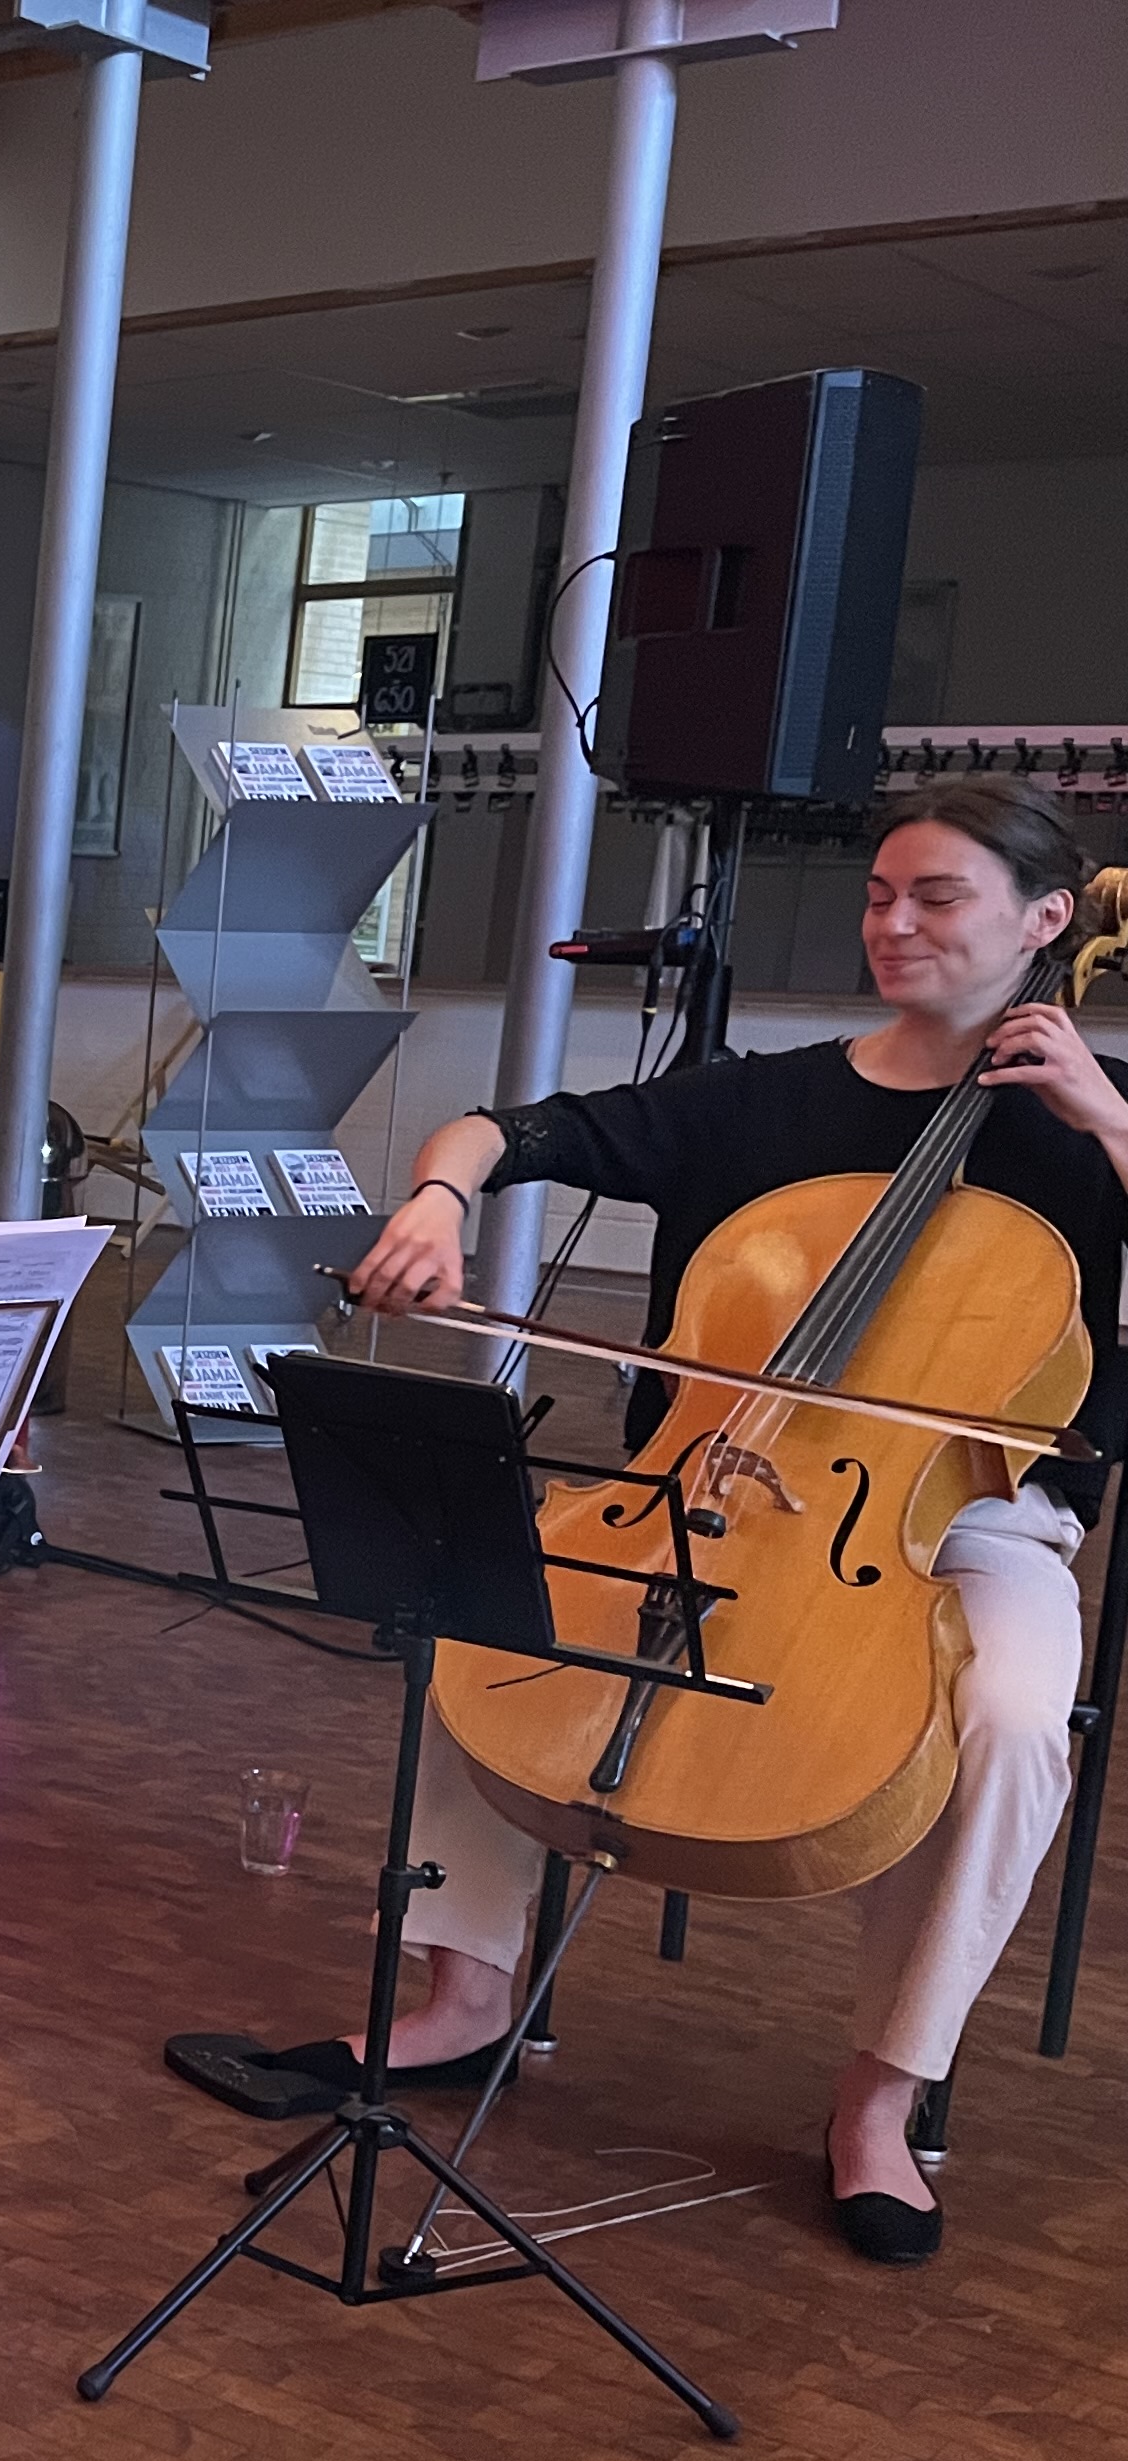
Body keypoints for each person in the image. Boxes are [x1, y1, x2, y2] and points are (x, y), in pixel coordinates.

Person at [320, 776, 1121, 2267]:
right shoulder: (765, 1099)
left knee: (1015, 1720)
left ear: (1046, 922)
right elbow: (510, 1128)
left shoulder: (1094, 1128)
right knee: (491, 1601)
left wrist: (1107, 1118)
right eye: (879, 894)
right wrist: (438, 1195)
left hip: (967, 1519)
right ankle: (467, 1992)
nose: (893, 923)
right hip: (707, 1485)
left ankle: (886, 2093)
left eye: (937, 897)